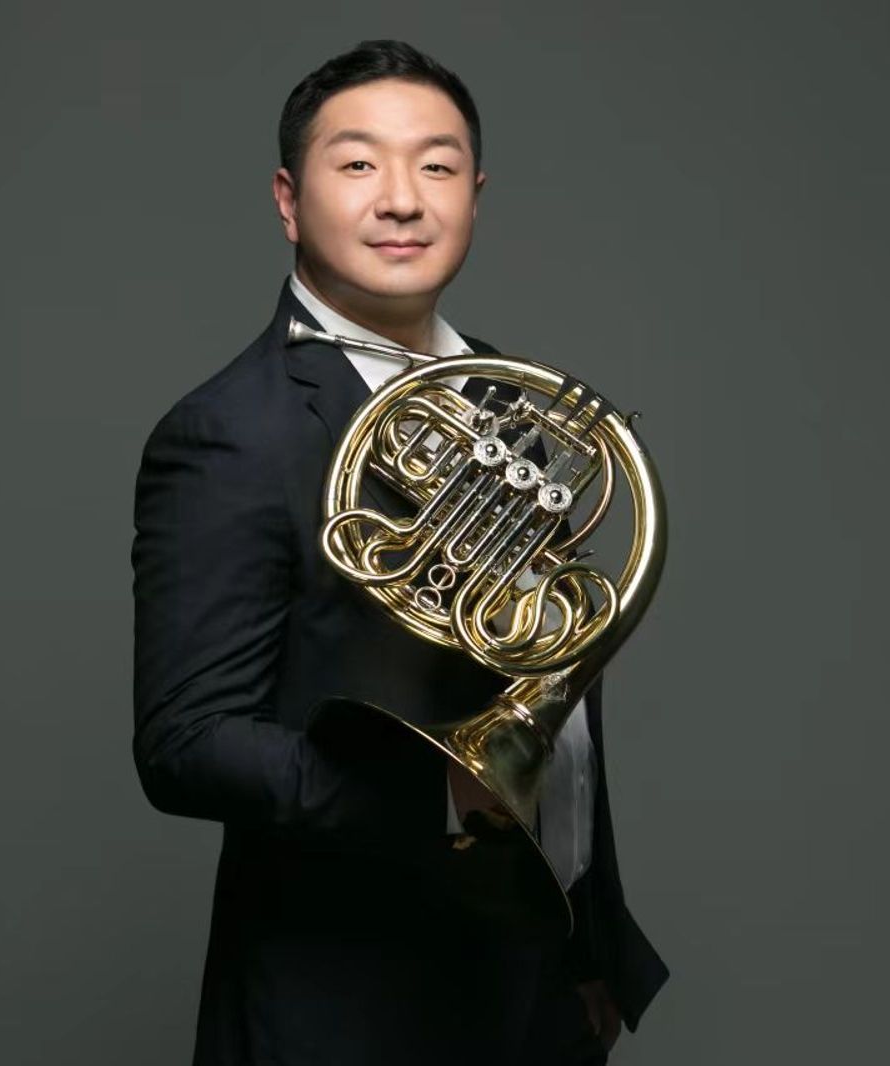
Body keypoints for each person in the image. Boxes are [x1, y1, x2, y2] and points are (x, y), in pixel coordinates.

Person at [132, 39, 667, 1066]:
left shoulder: (511, 404)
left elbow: (551, 680)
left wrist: (586, 943)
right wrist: (437, 798)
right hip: (349, 1010)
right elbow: (185, 743)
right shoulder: (231, 433)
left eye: (436, 165)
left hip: (536, 993)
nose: (402, 200)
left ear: (475, 195)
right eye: (357, 163)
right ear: (289, 201)